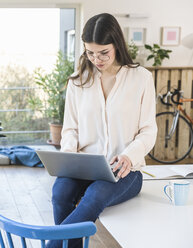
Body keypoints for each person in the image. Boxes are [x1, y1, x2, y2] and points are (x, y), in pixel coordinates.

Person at [46, 13, 157, 248]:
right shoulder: (78, 81)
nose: (97, 59)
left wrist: (129, 155)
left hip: (125, 172)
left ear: (116, 44)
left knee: (95, 195)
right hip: (82, 167)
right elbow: (70, 129)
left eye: (103, 52)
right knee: (60, 194)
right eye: (90, 53)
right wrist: (68, 156)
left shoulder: (141, 79)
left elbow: (148, 130)